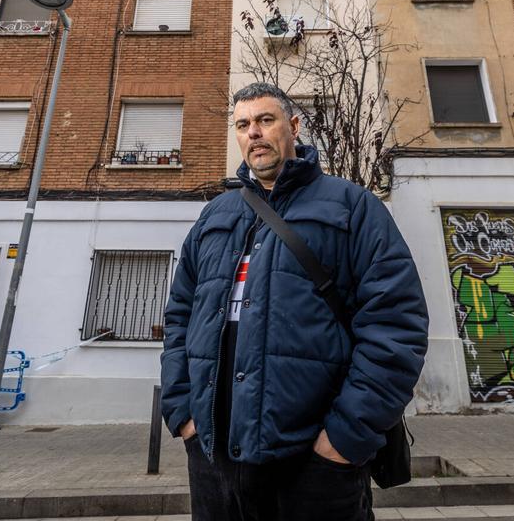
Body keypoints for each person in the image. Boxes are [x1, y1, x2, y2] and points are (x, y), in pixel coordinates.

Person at [160, 82, 429, 521]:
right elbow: (179, 316)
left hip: (315, 464)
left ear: (295, 126)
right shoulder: (216, 215)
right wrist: (183, 414)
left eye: (266, 120)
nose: (254, 133)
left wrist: (343, 439)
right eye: (243, 125)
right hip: (214, 459)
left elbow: (396, 325)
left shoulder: (352, 207)